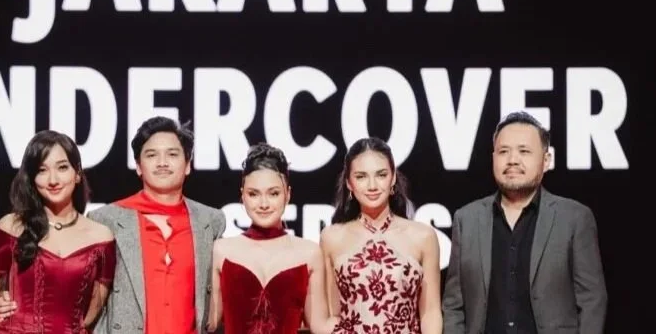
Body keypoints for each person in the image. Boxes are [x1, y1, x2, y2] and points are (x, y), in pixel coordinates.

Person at [442, 111, 608, 334]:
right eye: (503, 151)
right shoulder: (467, 220)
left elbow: (592, 300)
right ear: (493, 158)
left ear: (546, 161)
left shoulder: (575, 218)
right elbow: (454, 305)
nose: (512, 160)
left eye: (524, 151)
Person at [88, 116, 227, 334]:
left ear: (187, 165)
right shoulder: (106, 220)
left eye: (172, 154)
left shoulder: (210, 221)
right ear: (138, 166)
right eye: (152, 155)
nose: (162, 163)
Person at [0, 130, 117, 333]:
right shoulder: (12, 227)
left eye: (62, 167)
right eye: (42, 170)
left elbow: (91, 315)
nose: (53, 180)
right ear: (31, 178)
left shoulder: (101, 238)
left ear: (77, 173)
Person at [207, 143, 339, 334]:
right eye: (253, 194)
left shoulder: (309, 253)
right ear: (242, 196)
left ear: (288, 194)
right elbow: (208, 323)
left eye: (273, 193)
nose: (263, 204)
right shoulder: (221, 250)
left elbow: (321, 327)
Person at [320, 137, 442, 334]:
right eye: (361, 176)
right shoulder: (331, 238)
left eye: (381, 175)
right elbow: (333, 315)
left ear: (393, 178)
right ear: (349, 183)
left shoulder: (423, 236)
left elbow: (430, 313)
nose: (372, 186)